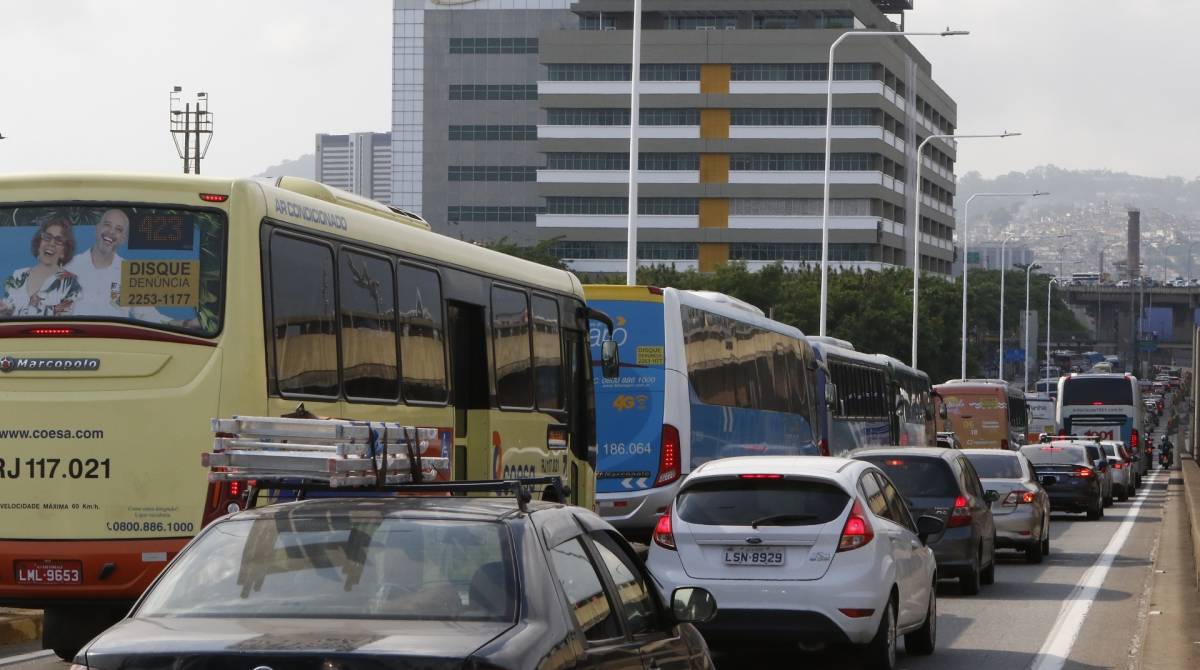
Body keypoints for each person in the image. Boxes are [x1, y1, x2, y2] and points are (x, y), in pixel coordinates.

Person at [64, 208, 176, 325]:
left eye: (118, 229)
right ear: (97, 229)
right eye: (107, 225)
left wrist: (179, 324)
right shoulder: (70, 267)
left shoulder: (129, 273)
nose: (111, 232)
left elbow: (147, 314)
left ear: (123, 239)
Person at [0, 218, 82, 317]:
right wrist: (3, 311)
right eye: (47, 237)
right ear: (39, 244)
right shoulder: (18, 275)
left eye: (58, 240)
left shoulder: (70, 283)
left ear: (63, 252)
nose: (51, 243)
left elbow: (64, 319)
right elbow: (6, 314)